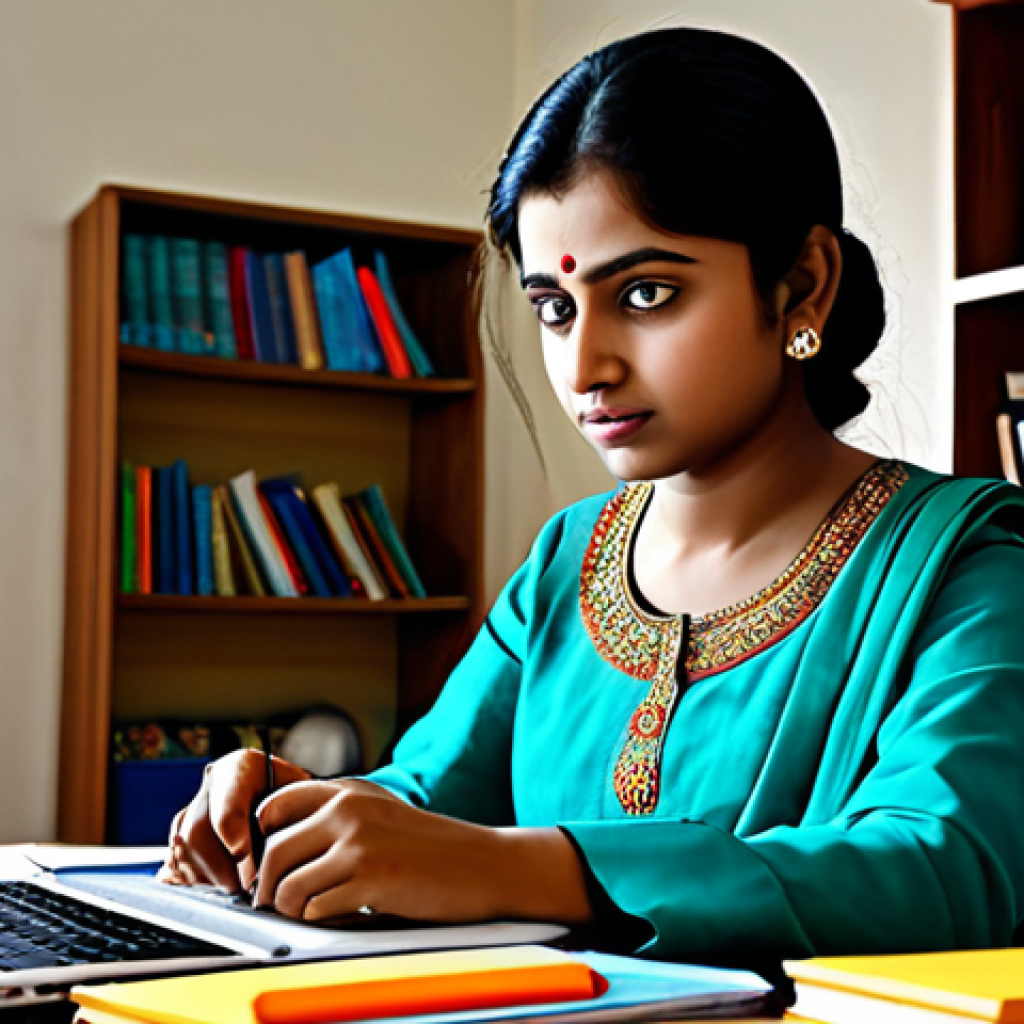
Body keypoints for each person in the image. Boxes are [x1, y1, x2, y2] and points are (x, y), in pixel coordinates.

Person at [160, 28, 1024, 968]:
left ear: (802, 287)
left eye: (647, 294)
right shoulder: (569, 560)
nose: (585, 366)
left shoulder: (967, 568)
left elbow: (943, 868)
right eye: (553, 307)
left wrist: (523, 871)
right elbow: (428, 798)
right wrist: (292, 812)